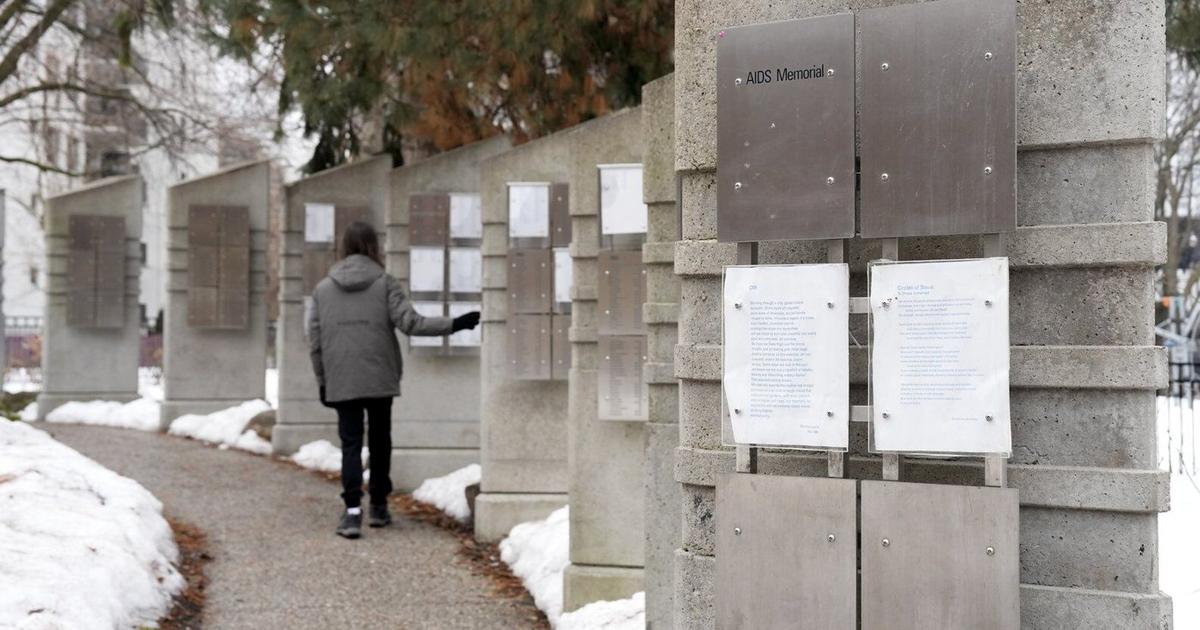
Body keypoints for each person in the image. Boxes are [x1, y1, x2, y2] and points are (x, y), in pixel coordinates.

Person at [308, 221, 480, 539]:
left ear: (343, 248)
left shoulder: (323, 290)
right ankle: (378, 506)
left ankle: (351, 513)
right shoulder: (384, 283)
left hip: (341, 377)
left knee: (349, 444)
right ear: (375, 246)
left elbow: (315, 340)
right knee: (380, 440)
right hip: (379, 375)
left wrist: (323, 380)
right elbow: (411, 323)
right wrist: (455, 324)